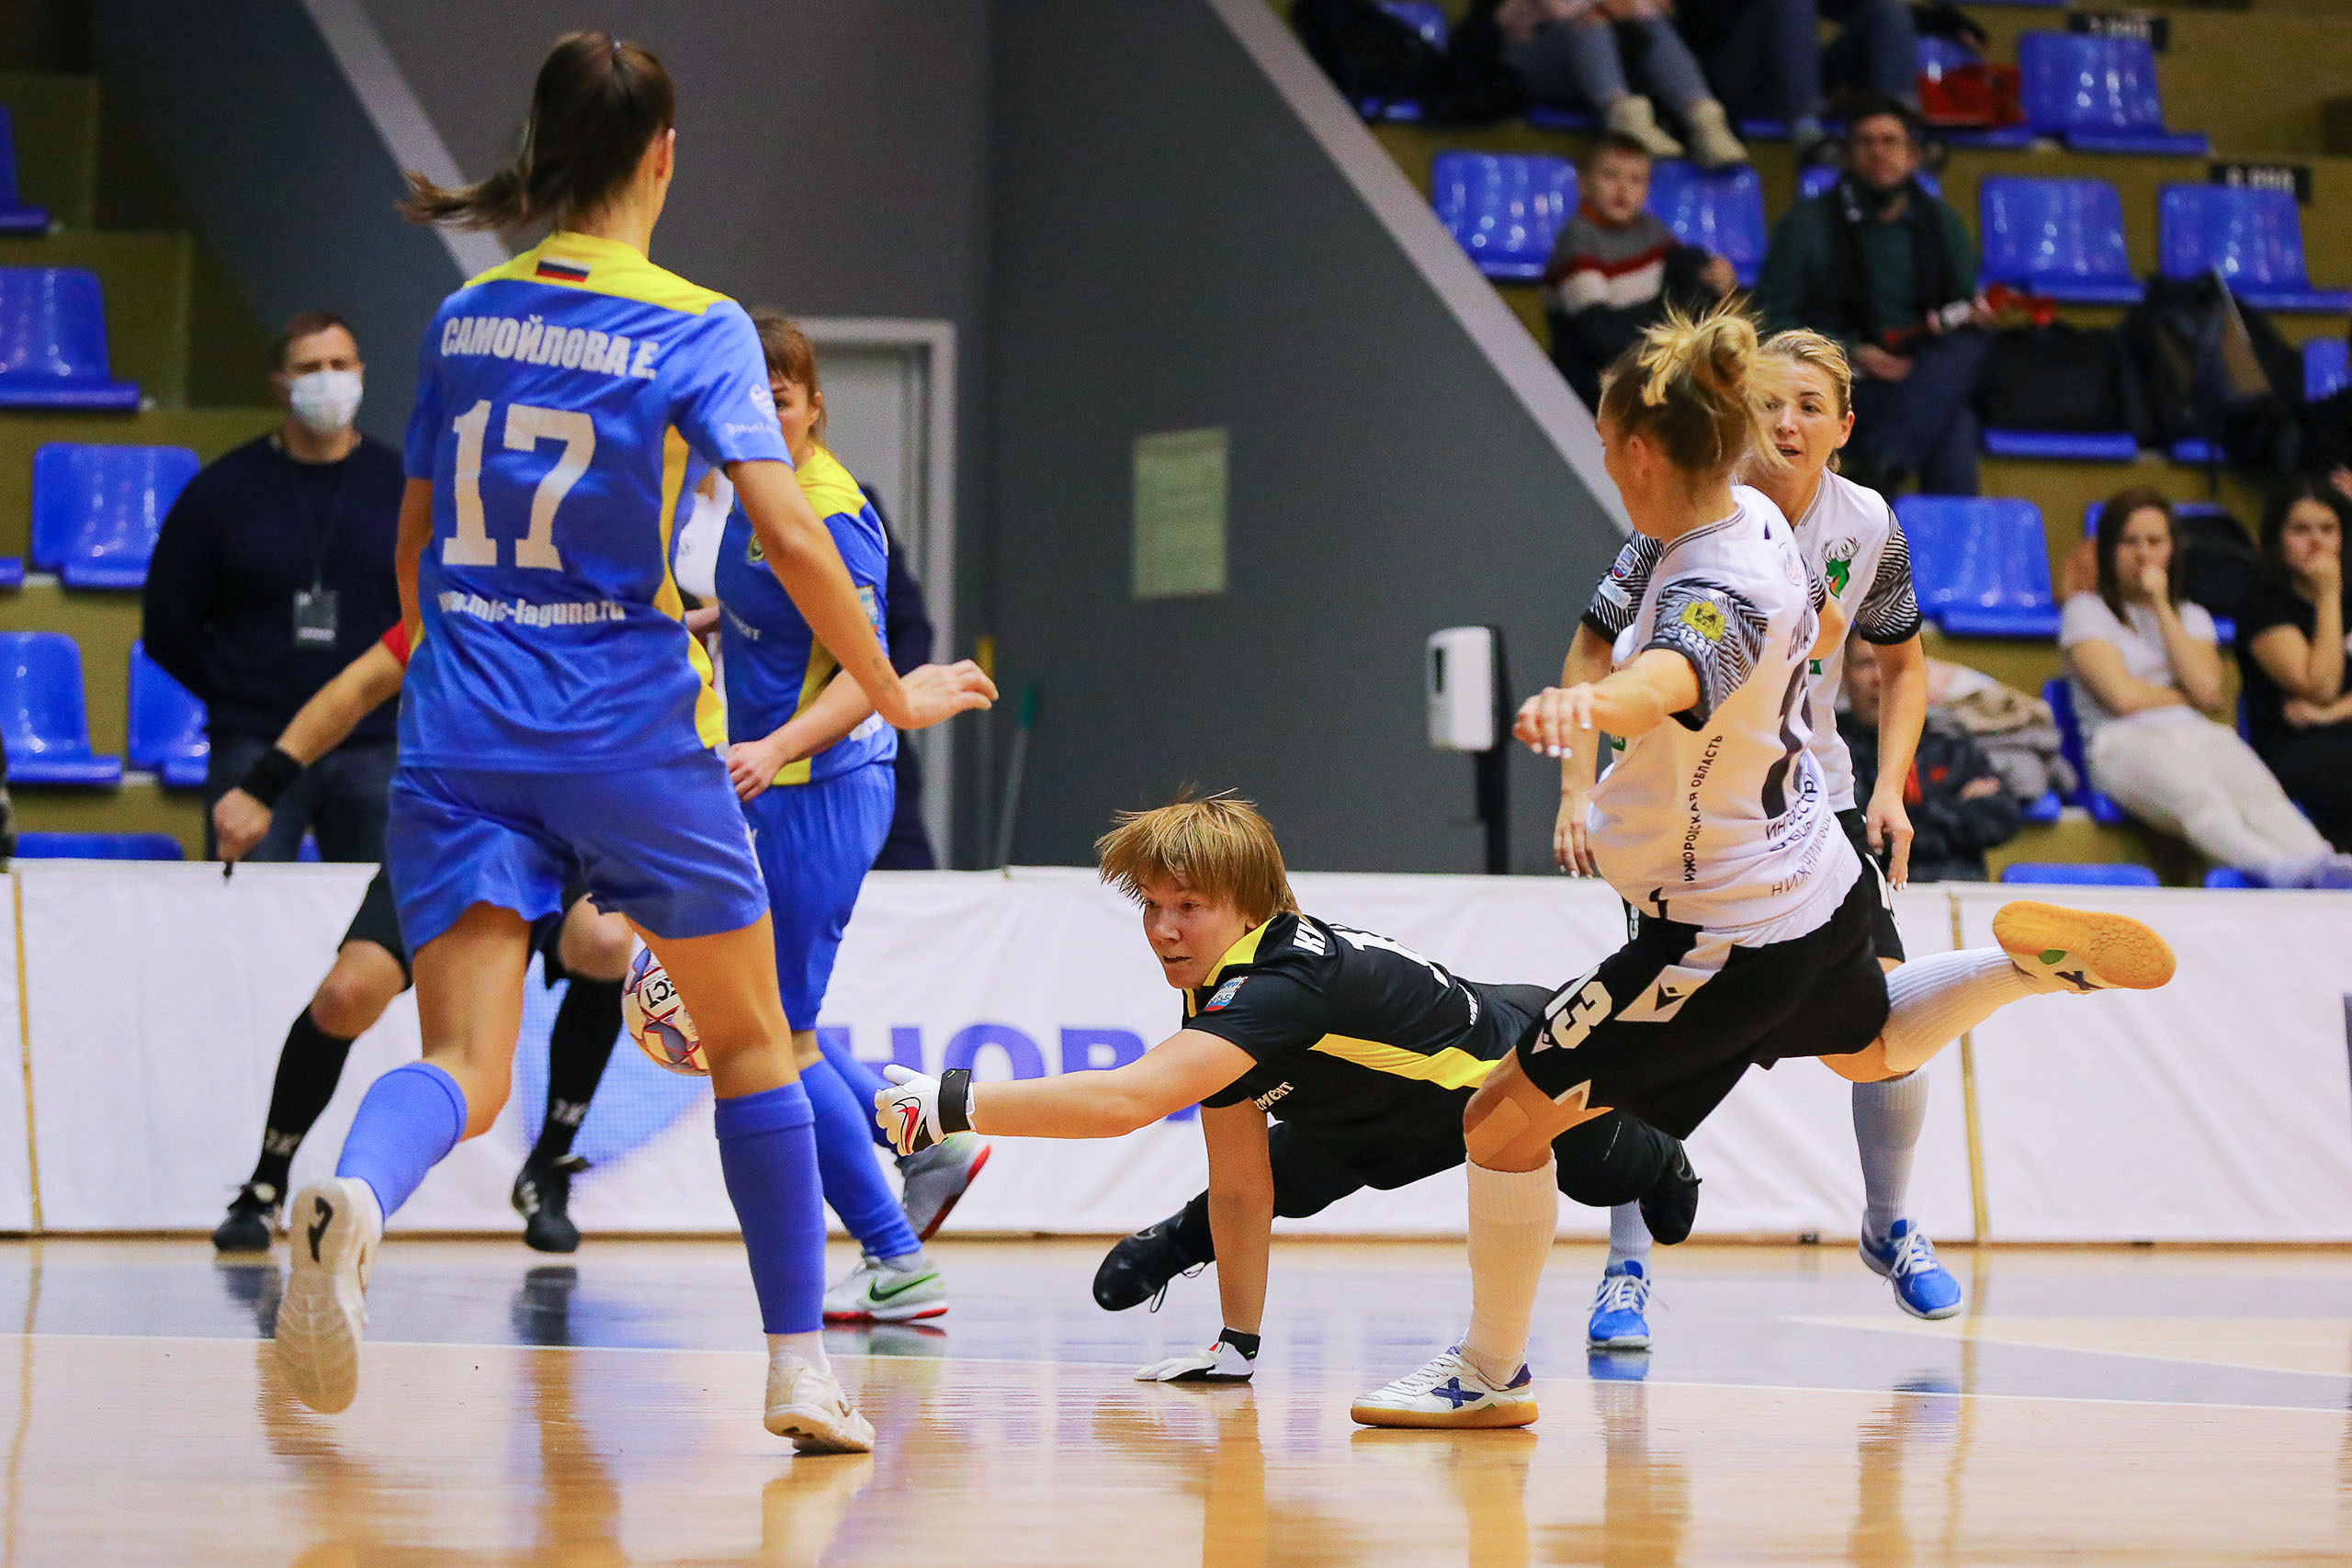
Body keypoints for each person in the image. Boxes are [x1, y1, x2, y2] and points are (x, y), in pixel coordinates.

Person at [266, 33, 994, 1454]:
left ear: (541, 151)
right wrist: (890, 687)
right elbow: (790, 531)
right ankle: (799, 1367)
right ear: (664, 156)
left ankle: (355, 1195)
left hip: (461, 730)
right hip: (629, 734)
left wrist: (469, 661)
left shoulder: (465, 317)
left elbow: (412, 549)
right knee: (755, 1043)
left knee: (467, 1062)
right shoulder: (697, 324)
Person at [1329, 306, 2172, 1428]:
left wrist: (1596, 705)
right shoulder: (1765, 522)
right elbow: (1814, 632)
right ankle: (2018, 971)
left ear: (1641, 451)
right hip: (1815, 874)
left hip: (1719, 928)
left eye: (1602, 442)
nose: (1603, 460)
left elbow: (1680, 667)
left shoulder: (1718, 578)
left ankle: (1488, 1374)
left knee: (1502, 1119)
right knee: (1868, 1043)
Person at [868, 791, 1699, 1385]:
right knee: (1280, 1181)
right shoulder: (1217, 981)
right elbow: (1239, 1182)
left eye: (1187, 905)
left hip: (1517, 1070)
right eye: (1151, 904)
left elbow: (1127, 1100)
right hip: (1374, 1118)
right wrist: (1237, 1347)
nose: (1162, 929)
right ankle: (1189, 1251)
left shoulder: (1281, 985)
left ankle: (1666, 1156)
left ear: (1247, 905)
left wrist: (955, 1103)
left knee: (1614, 1174)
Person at [1566, 326, 1957, 1344]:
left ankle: (1888, 1222)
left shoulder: (1866, 524)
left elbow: (1902, 665)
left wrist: (1890, 788)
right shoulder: (1697, 502)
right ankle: (1626, 1266)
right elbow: (1594, 646)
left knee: (1885, 1018)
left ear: (1843, 426)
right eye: (1771, 403)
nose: (1786, 423)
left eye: (1809, 407)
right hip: (1686, 807)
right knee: (1651, 1037)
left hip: (1810, 793)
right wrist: (1574, 787)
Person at [706, 310, 980, 1324]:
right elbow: (784, 616)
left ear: (815, 407)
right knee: (780, 1026)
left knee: (776, 1039)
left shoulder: (828, 507)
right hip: (780, 789)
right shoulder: (751, 490)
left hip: (817, 789)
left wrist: (777, 746)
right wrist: (714, 621)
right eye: (747, 397)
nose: (761, 414)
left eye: (778, 398)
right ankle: (924, 1136)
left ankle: (897, 1260)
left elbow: (867, 672)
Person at [207, 623, 632, 1257]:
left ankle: (548, 1164)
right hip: (456, 833)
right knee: (347, 996)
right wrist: (263, 784)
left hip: (569, 831)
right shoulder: (460, 595)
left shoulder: (610, 601)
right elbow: (358, 685)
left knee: (605, 941)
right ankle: (270, 1179)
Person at [144, 311, 406, 862]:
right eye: (310, 368)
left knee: (386, 906)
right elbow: (167, 624)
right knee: (245, 902)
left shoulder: (401, 487)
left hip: (376, 743)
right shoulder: (221, 491)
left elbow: (430, 610)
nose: (328, 378)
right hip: (254, 743)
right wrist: (237, 692)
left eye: (340, 364)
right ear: (280, 383)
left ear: (361, 372)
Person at [2062, 489, 2351, 888]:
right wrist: (2186, 695)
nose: (2144, 554)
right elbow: (2122, 698)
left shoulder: (2192, 615)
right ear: (2109, 550)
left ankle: (2325, 866)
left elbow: (2209, 693)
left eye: (2155, 542)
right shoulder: (2085, 611)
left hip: (2195, 731)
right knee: (2199, 796)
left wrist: (2160, 606)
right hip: (2120, 741)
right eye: (2130, 542)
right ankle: (2275, 869)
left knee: (2261, 795)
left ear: (2172, 549)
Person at [1755, 96, 1987, 498]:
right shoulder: (1805, 225)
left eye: (1890, 142)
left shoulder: (1942, 223)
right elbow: (1773, 322)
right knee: (1954, 427)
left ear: (1913, 155)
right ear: (1846, 154)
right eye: (1865, 142)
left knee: (1970, 344)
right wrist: (1851, 352)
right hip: (1842, 379)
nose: (1878, 152)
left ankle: (1884, 465)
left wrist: (1975, 316)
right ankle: (1888, 474)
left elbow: (1959, 311)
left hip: (1921, 371)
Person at [1544, 131, 1739, 410]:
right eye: (1610, 176)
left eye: (1636, 180)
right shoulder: (1578, 239)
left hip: (1645, 359)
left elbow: (1689, 283)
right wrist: (1666, 345)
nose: (1623, 189)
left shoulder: (1652, 229)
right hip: (1591, 379)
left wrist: (1716, 278)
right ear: (1583, 182)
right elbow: (1597, 335)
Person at [1487, 0, 1748, 167]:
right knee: (1592, 19)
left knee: (1653, 25)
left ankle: (1704, 119)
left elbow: (1664, 7)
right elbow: (1561, 8)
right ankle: (1624, 115)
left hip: (1615, 57)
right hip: (1536, 56)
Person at [2236, 479, 2352, 852]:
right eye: (2301, 531)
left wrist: (2331, 714)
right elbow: (2320, 686)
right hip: (2293, 745)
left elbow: (2325, 705)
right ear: (2278, 539)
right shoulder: (2263, 606)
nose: (2317, 542)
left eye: (2328, 530)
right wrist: (2329, 596)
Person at [1842, 640, 2018, 882]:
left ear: (1919, 672)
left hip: (1960, 886)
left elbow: (2003, 817)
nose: (1879, 677)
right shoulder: (1832, 747)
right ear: (1844, 674)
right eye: (1865, 664)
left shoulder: (1950, 741)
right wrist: (1955, 808)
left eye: (1892, 664)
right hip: (1871, 888)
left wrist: (1898, 824)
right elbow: (1853, 833)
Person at [1673, 0, 1923, 167]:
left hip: (1797, 70)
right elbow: (1702, 21)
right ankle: (1808, 133)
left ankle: (1903, 131)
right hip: (1731, 74)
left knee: (1888, 12)